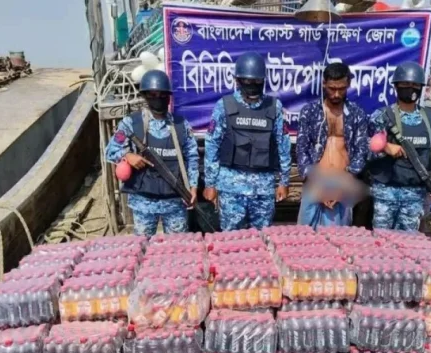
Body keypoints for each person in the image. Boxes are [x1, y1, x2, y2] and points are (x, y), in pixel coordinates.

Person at [203, 51, 291, 231]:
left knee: (263, 239)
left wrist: (284, 182)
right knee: (231, 240)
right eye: (247, 81)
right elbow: (212, 146)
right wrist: (210, 184)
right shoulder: (224, 106)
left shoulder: (274, 107)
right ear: (237, 80)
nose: (252, 86)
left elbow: (283, 145)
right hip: (231, 187)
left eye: (257, 81)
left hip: (263, 189)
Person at [105, 70, 199, 237]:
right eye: (153, 95)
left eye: (162, 95)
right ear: (145, 96)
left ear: (168, 97)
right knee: (142, 247)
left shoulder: (181, 125)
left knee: (178, 248)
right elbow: (110, 150)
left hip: (175, 200)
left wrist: (193, 187)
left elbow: (192, 158)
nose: (158, 98)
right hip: (143, 201)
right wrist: (128, 156)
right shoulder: (131, 123)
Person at [367, 61, 431, 231]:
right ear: (396, 87)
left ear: (421, 87)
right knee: (380, 242)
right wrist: (385, 147)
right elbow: (365, 149)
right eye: (404, 85)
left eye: (414, 85)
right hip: (386, 192)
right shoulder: (381, 116)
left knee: (408, 243)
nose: (410, 89)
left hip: (415, 195)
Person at [296, 62, 369, 228]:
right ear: (324, 84)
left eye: (341, 89)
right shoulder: (310, 112)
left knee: (337, 239)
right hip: (314, 183)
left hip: (342, 185)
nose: (336, 94)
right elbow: (302, 149)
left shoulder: (357, 114)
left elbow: (361, 152)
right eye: (332, 88)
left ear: (348, 84)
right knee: (304, 237)